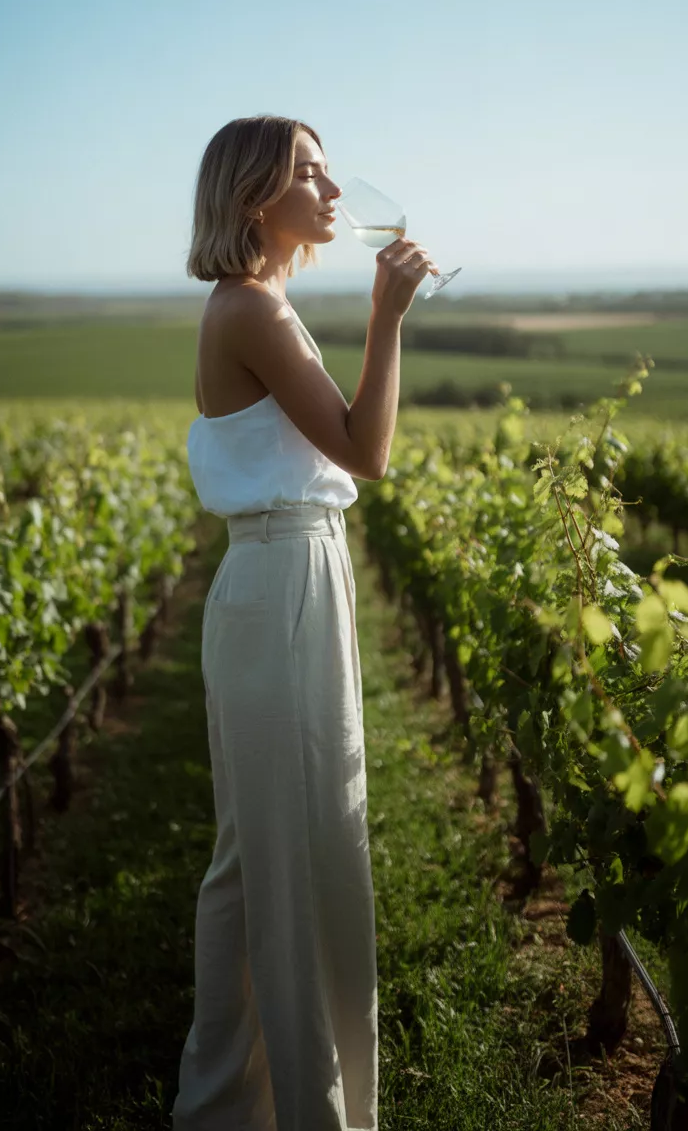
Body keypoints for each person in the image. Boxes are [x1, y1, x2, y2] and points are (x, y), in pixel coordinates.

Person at [172, 115, 441, 1131]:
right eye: (308, 174)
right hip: (283, 584)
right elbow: (368, 454)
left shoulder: (256, 304)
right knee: (295, 856)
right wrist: (390, 313)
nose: (333, 193)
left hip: (283, 581)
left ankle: (231, 1105)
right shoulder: (254, 312)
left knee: (262, 859)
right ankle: (301, 1111)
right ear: (254, 199)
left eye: (331, 172)